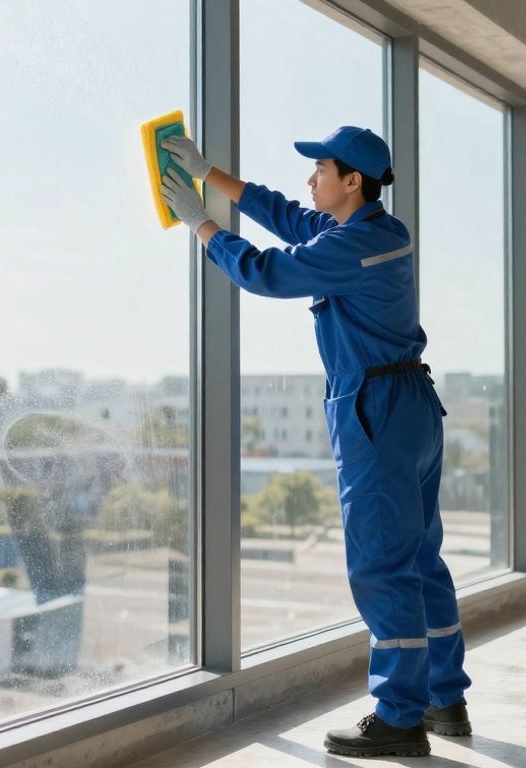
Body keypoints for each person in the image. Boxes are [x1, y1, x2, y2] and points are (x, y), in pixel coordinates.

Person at [159, 127, 472, 758]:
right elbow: (287, 214)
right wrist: (208, 174)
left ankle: (399, 718)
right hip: (411, 403)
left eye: (321, 169)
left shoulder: (352, 248)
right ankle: (445, 699)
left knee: (382, 564)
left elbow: (265, 272)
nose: (311, 179)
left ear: (352, 180)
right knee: (419, 559)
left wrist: (200, 226)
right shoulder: (379, 233)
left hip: (375, 412)